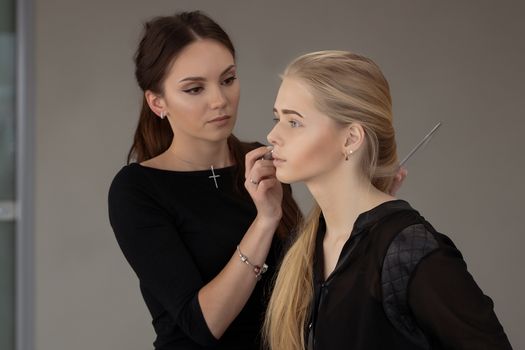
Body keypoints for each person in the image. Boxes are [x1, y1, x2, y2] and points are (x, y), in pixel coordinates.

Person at [263, 51, 513, 350]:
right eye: (277, 118)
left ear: (351, 138)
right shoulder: (309, 243)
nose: (272, 135)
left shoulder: (407, 250)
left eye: (294, 122)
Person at [107, 11, 303, 349]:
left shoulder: (262, 162)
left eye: (228, 79)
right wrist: (265, 220)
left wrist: (366, 203)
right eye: (195, 88)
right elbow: (203, 324)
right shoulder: (137, 190)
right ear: (158, 103)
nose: (219, 100)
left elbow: (310, 279)